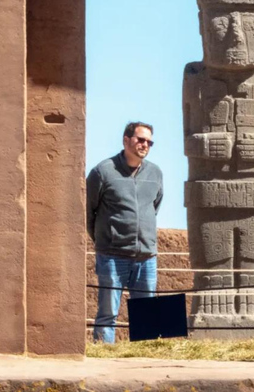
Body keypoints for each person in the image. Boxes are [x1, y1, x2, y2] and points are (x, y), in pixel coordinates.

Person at [87, 121, 163, 343]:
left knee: (147, 314)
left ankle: (145, 360)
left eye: (149, 142)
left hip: (146, 256)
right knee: (108, 313)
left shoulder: (156, 173)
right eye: (140, 139)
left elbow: (154, 207)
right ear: (126, 140)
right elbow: (87, 210)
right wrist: (105, 239)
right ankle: (104, 358)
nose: (145, 145)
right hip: (111, 255)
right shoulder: (102, 171)